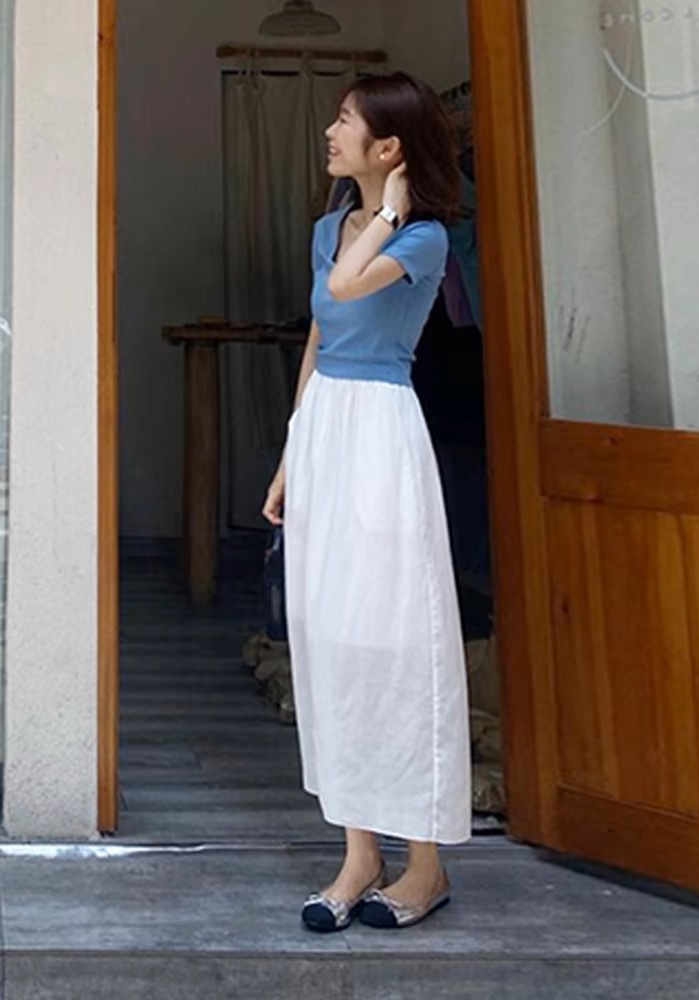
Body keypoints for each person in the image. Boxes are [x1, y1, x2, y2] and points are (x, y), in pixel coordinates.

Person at [263, 72, 472, 932]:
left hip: (383, 432)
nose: (330, 130)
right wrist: (290, 453)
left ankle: (426, 865)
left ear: (388, 147)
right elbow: (318, 334)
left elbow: (348, 290)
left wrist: (387, 209)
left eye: (345, 120)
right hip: (327, 430)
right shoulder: (328, 231)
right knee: (330, 638)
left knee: (397, 638)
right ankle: (360, 855)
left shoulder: (423, 238)